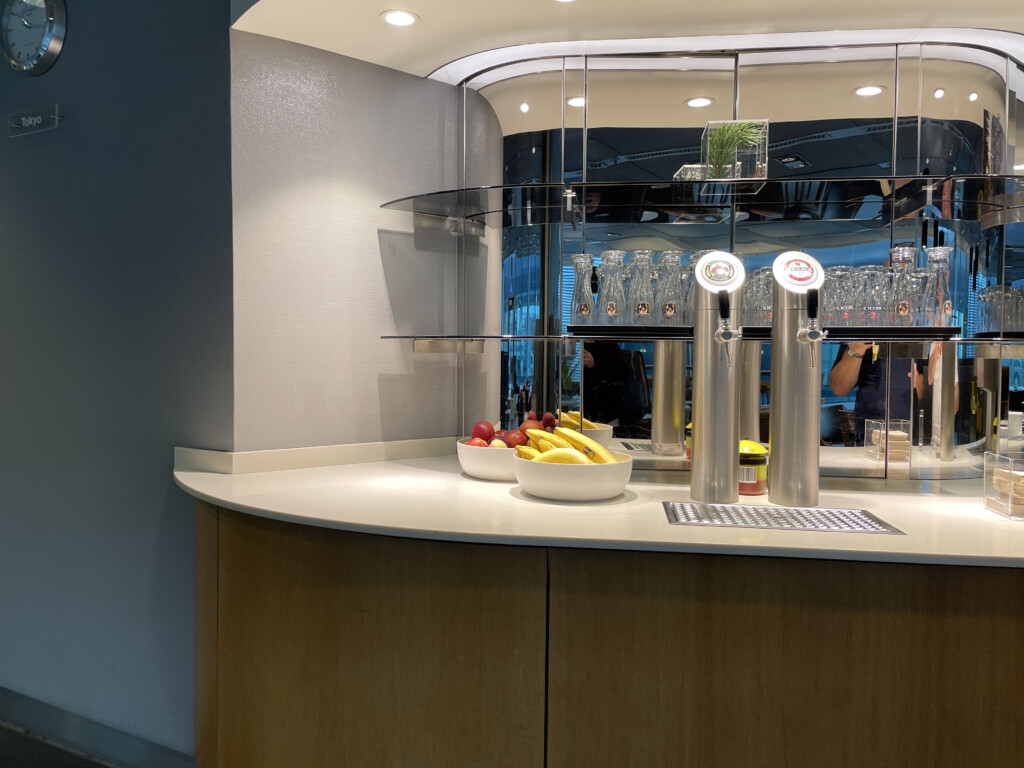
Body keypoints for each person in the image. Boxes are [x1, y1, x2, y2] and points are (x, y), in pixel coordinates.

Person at [829, 342, 923, 445]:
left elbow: (924, 391)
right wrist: (855, 350)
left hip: (907, 437)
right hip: (866, 437)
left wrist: (918, 381)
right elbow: (839, 388)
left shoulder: (915, 334)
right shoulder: (860, 332)